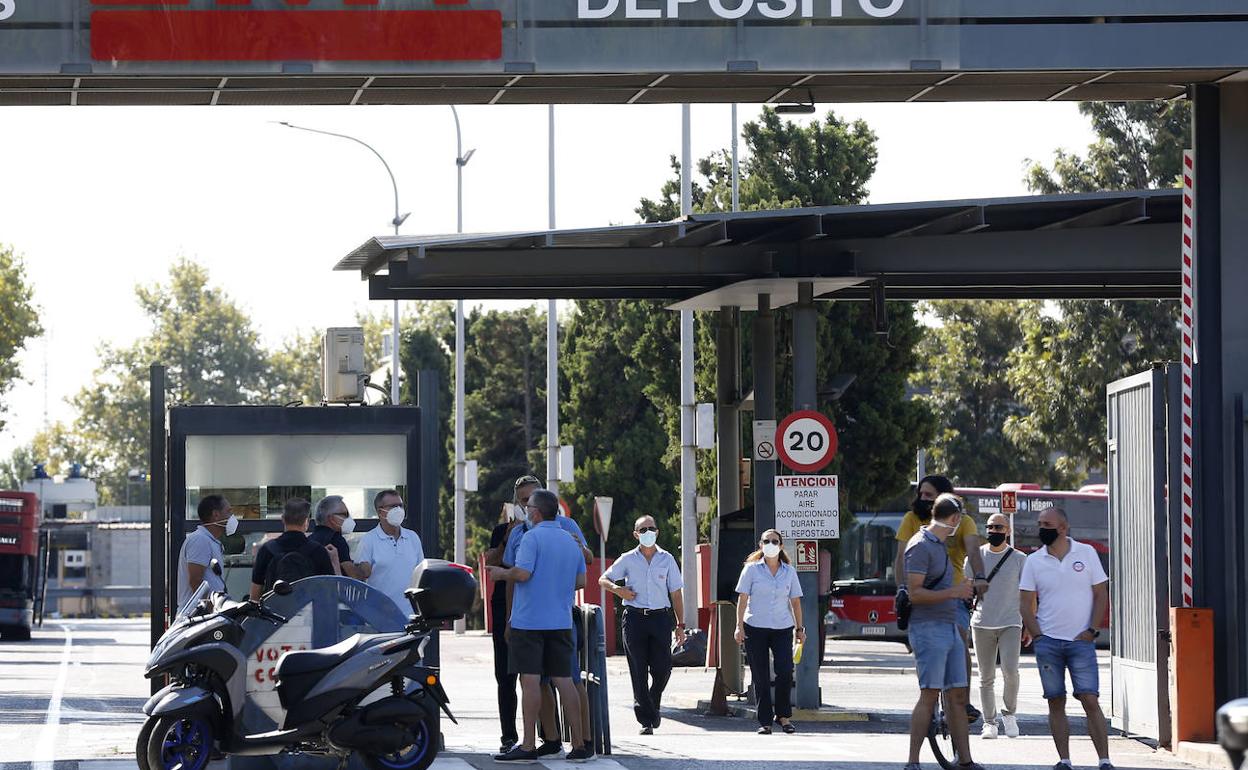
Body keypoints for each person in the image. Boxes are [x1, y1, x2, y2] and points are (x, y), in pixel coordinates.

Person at [486, 489, 592, 763]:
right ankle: (579, 745)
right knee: (565, 681)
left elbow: (522, 573)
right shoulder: (571, 541)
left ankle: (529, 745)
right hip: (561, 620)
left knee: (530, 681)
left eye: (528, 506)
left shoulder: (531, 537)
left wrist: (500, 573)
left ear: (535, 512)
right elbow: (581, 581)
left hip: (530, 621)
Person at [1020, 507, 1113, 770]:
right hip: (1048, 642)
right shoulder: (1034, 561)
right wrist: (1038, 635)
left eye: (1046, 523)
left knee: (1089, 699)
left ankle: (1104, 760)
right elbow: (1026, 603)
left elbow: (1100, 594)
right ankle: (1064, 760)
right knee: (1055, 700)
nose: (1041, 528)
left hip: (1080, 642)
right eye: (1040, 523)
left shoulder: (1086, 553)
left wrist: (1092, 631)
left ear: (1063, 527)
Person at [894, 474, 987, 723]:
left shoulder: (962, 521)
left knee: (959, 635)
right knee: (926, 645)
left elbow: (973, 550)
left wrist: (980, 577)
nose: (923, 499)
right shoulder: (912, 520)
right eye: (921, 494)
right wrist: (902, 589)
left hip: (955, 592)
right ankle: (930, 696)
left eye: (929, 495)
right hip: (921, 594)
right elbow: (901, 557)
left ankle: (963, 700)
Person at [598, 515, 684, 736]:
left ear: (657, 532)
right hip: (635, 619)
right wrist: (619, 590)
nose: (648, 532)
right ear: (636, 534)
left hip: (660, 619)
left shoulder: (667, 559)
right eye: (643, 529)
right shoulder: (627, 559)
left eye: (651, 528)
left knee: (663, 668)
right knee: (638, 669)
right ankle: (646, 718)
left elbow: (676, 594)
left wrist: (680, 624)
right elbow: (603, 579)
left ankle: (652, 703)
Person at [733, 529, 804, 735]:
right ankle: (764, 721)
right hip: (755, 627)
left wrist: (800, 629)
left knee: (785, 671)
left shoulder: (789, 571)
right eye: (767, 541)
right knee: (761, 676)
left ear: (781, 546)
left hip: (783, 627)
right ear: (760, 545)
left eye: (775, 541)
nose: (771, 544)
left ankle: (783, 716)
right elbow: (742, 600)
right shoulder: (751, 570)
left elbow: (796, 602)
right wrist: (739, 626)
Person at [965, 513, 1023, 740]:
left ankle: (1009, 715)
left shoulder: (1020, 558)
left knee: (1010, 671)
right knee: (985, 677)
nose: (993, 531)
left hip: (1011, 622)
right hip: (981, 623)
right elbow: (966, 586)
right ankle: (989, 722)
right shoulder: (975, 556)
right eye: (990, 527)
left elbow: (1028, 594)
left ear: (1008, 530)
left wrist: (1029, 622)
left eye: (999, 527)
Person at [485, 497, 527, 754]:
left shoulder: (546, 531)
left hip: (534, 606)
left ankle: (547, 736)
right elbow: (490, 560)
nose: (526, 504)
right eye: (522, 499)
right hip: (503, 605)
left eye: (530, 498)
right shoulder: (503, 531)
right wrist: (506, 538)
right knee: (505, 675)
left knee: (539, 677)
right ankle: (508, 736)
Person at [249, 498, 335, 599]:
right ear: (306, 521)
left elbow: (255, 591)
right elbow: (329, 590)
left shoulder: (267, 550)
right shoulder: (318, 551)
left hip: (274, 611)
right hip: (308, 611)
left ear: (283, 519)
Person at [355, 489, 425, 612]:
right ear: (380, 512)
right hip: (380, 616)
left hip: (411, 615)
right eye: (393, 506)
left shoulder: (412, 538)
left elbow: (421, 574)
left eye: (400, 506)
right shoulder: (369, 540)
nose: (398, 510)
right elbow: (361, 576)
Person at [177, 495, 234, 608]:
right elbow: (195, 581)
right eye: (228, 512)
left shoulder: (210, 540)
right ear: (216, 515)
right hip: (197, 617)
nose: (231, 517)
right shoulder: (200, 540)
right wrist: (211, 610)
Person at [308, 495, 360, 579]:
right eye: (344, 514)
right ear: (331, 518)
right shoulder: (336, 540)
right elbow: (353, 576)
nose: (348, 518)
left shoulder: (309, 540)